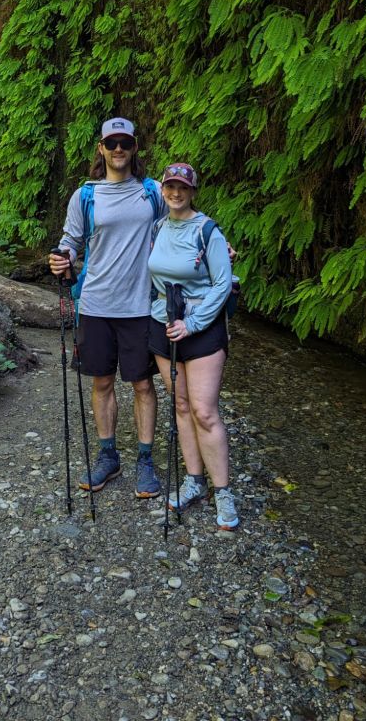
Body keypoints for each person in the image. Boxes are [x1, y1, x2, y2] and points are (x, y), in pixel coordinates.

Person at [49, 117, 165, 499]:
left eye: (125, 143)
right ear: (101, 148)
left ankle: (145, 460)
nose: (118, 149)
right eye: (111, 143)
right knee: (101, 381)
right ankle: (108, 455)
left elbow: (183, 226)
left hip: (140, 306)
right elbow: (71, 241)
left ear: (134, 148)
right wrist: (61, 260)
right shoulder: (86, 195)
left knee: (143, 384)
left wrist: (217, 247)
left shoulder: (153, 193)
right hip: (96, 304)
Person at [148, 163, 239, 531]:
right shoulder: (157, 228)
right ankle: (193, 481)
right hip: (162, 323)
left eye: (182, 187)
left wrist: (194, 324)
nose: (175, 192)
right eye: (170, 186)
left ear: (192, 191)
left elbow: (222, 283)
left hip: (200, 329)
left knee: (204, 411)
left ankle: (224, 492)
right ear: (164, 189)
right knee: (181, 405)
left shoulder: (207, 231)